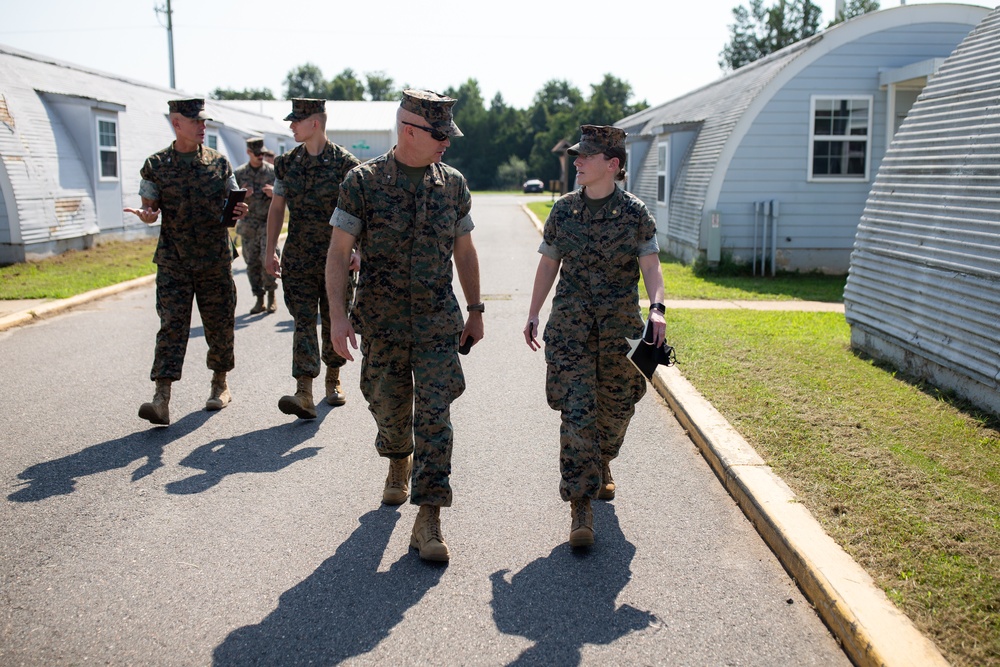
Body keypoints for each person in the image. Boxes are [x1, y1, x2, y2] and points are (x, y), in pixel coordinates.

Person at [326, 90, 483, 562]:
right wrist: (337, 316)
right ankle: (398, 459)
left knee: (436, 417)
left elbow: (466, 251)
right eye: (440, 135)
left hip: (438, 323)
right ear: (409, 130)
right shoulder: (362, 182)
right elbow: (337, 254)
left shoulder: (452, 184)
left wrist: (476, 310)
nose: (447, 144)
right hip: (381, 322)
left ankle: (429, 517)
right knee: (389, 410)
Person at [523, 124, 666, 548]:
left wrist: (657, 310)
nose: (577, 162)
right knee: (577, 415)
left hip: (620, 333)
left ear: (613, 165)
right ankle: (580, 507)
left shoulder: (636, 214)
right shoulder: (564, 211)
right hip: (570, 331)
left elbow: (652, 268)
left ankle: (604, 461)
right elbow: (549, 264)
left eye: (586, 156)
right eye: (576, 156)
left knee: (617, 411)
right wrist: (533, 312)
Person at [124, 98, 248, 426]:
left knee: (220, 323)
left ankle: (220, 384)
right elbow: (149, 209)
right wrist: (147, 215)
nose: (203, 126)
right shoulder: (156, 164)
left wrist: (238, 210)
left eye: (205, 121)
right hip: (174, 261)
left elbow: (231, 205)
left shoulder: (220, 164)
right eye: (196, 121)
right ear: (177, 123)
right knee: (171, 327)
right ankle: (161, 397)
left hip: (214, 260)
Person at [265, 99, 361, 419]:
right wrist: (269, 251)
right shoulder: (286, 163)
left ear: (315, 123)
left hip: (338, 259)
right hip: (299, 257)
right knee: (303, 320)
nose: (291, 125)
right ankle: (303, 390)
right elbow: (277, 208)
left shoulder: (346, 164)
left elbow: (360, 212)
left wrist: (359, 250)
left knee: (334, 317)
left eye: (297, 121)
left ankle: (333, 379)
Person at [234, 137, 278, 315]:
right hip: (248, 225)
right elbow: (230, 200)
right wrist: (241, 195)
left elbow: (285, 198)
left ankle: (271, 295)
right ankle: (259, 298)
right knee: (251, 262)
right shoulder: (239, 173)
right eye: (257, 153)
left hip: (268, 224)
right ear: (248, 153)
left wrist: (274, 193)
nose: (261, 156)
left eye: (262, 153)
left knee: (267, 260)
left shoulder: (273, 173)